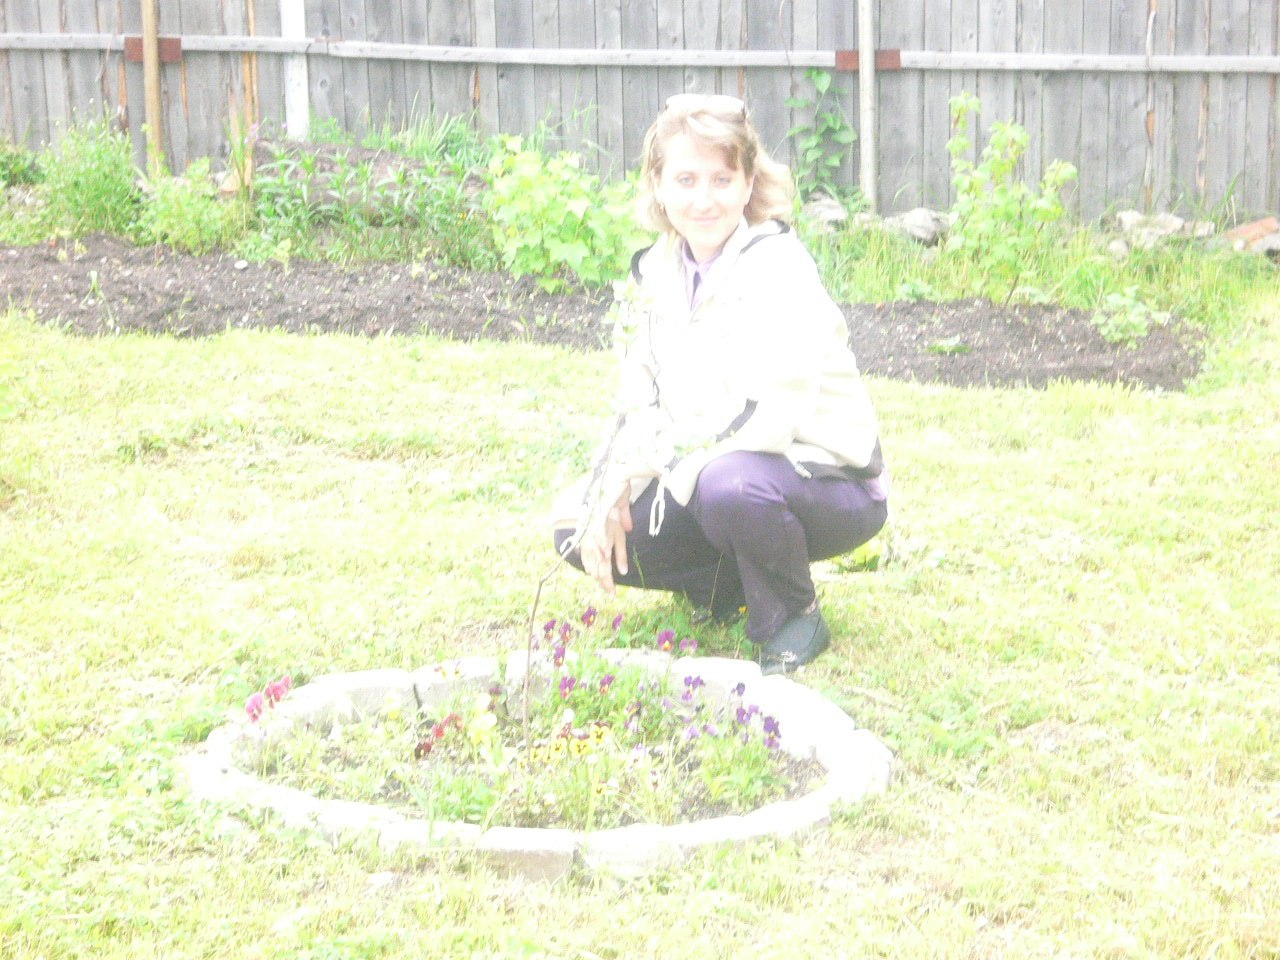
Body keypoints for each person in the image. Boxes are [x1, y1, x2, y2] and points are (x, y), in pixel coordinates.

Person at [551, 92, 888, 675]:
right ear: (657, 185)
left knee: (729, 486)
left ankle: (793, 615)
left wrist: (654, 465)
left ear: (748, 182)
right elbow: (637, 399)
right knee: (573, 524)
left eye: (721, 180)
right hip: (706, 469)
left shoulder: (780, 267)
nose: (703, 200)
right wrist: (611, 482)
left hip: (827, 483)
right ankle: (726, 585)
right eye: (685, 180)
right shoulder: (650, 271)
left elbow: (769, 420)